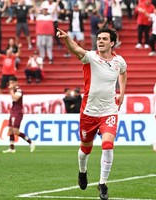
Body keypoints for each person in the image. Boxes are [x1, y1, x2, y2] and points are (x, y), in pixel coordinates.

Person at [56, 27, 127, 200]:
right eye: (99, 39)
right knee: (85, 150)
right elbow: (76, 49)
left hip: (109, 111)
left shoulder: (119, 61)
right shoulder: (91, 57)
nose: (100, 41)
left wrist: (122, 93)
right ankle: (82, 171)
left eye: (104, 39)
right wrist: (66, 39)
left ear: (112, 42)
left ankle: (102, 184)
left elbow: (123, 73)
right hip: (89, 112)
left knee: (108, 145)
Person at [2, 76, 36, 153]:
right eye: (10, 83)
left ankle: (30, 142)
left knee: (15, 131)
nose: (11, 84)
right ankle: (12, 148)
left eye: (12, 82)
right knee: (10, 129)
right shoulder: (14, 90)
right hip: (13, 111)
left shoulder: (19, 90)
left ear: (16, 82)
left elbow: (15, 98)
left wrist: (10, 90)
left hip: (17, 112)